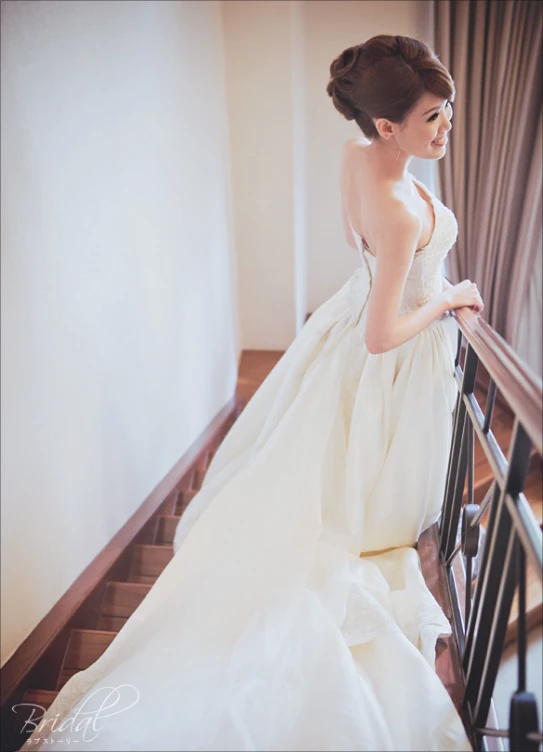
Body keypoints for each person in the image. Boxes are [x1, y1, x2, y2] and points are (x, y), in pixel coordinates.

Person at [23, 34, 483, 751]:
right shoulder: (396, 208)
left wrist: (395, 284)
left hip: (350, 315)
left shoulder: (354, 155)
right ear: (387, 126)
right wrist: (447, 296)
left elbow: (351, 246)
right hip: (382, 348)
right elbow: (379, 336)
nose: (446, 125)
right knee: (364, 516)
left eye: (445, 109)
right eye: (432, 117)